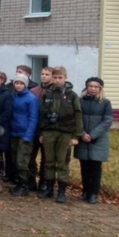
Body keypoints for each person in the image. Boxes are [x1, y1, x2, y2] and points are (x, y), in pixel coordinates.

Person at [38, 66, 83, 203]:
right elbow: (42, 114)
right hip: (49, 131)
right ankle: (49, 188)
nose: (57, 80)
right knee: (49, 161)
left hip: (65, 132)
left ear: (65, 78)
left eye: (60, 78)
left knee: (62, 162)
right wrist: (41, 132)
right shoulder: (47, 93)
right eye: (55, 78)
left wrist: (76, 136)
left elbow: (78, 115)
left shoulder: (72, 95)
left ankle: (62, 191)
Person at [74, 77, 113, 205]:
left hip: (98, 139)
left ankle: (93, 193)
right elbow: (76, 118)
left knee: (95, 168)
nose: (93, 89)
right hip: (83, 138)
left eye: (96, 87)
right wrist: (83, 134)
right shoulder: (80, 101)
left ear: (100, 89)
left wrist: (93, 135)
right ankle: (85, 191)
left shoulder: (105, 103)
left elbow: (107, 121)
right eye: (91, 86)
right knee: (84, 167)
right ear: (87, 87)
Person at [8, 74, 39, 197]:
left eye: (21, 83)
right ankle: (22, 183)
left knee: (23, 160)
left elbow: (33, 118)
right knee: (15, 159)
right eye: (16, 83)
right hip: (13, 132)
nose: (18, 85)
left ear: (25, 84)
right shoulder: (13, 96)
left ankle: (24, 185)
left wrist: (28, 135)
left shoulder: (31, 99)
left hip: (25, 134)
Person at [28, 66, 53, 191]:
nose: (44, 76)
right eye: (42, 74)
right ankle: (31, 179)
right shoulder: (33, 91)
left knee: (46, 158)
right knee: (30, 156)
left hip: (48, 129)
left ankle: (44, 181)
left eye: (47, 74)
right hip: (34, 128)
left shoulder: (55, 92)